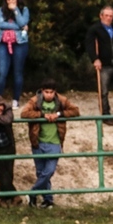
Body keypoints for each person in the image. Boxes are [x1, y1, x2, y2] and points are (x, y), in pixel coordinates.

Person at [20, 79, 80, 208]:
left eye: (51, 92)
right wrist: (42, 114)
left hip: (55, 142)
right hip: (38, 142)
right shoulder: (35, 101)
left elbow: (75, 111)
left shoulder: (62, 100)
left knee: (49, 171)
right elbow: (24, 113)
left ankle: (32, 193)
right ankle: (48, 200)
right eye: (46, 92)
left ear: (55, 92)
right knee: (41, 172)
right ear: (42, 91)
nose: (48, 95)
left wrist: (59, 114)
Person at [0, 0, 29, 109]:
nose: (10, 1)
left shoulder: (24, 9)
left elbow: (23, 21)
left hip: (20, 43)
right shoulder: (1, 10)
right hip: (3, 43)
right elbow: (0, 24)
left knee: (17, 72)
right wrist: (19, 27)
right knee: (1, 73)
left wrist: (15, 10)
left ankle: (15, 100)